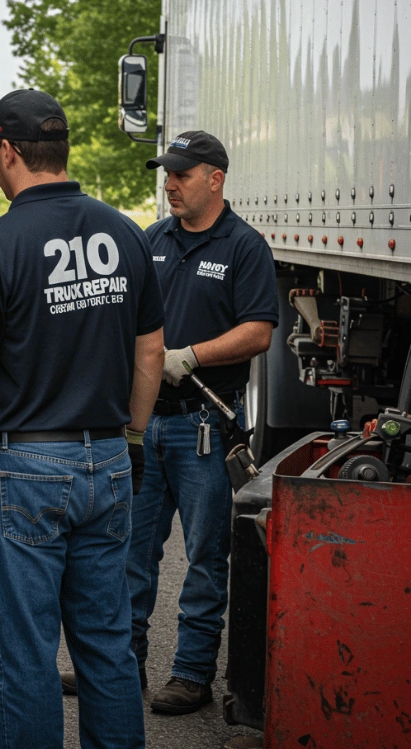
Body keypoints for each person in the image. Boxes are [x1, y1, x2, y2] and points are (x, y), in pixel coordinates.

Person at [0, 88, 165, 749]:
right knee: (107, 646)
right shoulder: (123, 233)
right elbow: (150, 350)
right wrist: (135, 435)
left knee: (25, 652)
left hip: (28, 470)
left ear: (6, 152)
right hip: (109, 462)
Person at [128, 131, 277, 714]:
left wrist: (191, 355)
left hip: (203, 429)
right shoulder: (151, 240)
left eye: (181, 175)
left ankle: (191, 676)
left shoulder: (243, 246)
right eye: (167, 174)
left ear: (215, 179)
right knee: (129, 554)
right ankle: (122, 665)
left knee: (206, 558)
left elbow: (259, 331)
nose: (169, 185)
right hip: (145, 423)